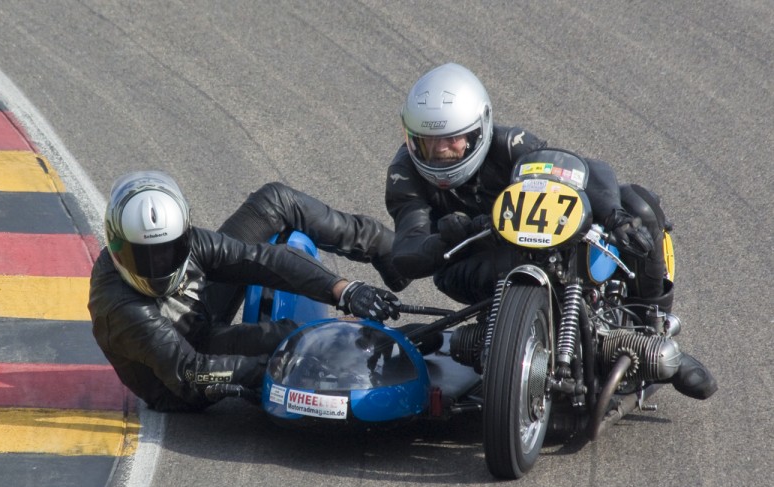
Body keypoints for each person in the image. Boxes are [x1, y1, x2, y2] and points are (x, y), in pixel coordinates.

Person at [383, 62, 716, 399]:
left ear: (477, 131)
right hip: (470, 261)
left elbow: (584, 171)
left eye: (451, 139)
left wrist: (616, 218)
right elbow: (406, 254)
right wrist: (448, 237)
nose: (440, 152)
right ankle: (504, 342)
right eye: (427, 143)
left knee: (639, 205)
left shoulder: (511, 144)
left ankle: (650, 328)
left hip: (546, 244)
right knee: (506, 260)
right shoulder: (405, 173)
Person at [89, 171, 403, 413]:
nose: (159, 266)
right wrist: (284, 367)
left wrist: (344, 290)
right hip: (183, 377)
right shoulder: (120, 307)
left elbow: (259, 260)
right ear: (117, 247)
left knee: (275, 199)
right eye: (144, 256)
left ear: (184, 234)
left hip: (199, 312)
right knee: (296, 341)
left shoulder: (194, 244)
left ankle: (397, 253)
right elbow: (192, 373)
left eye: (169, 250)